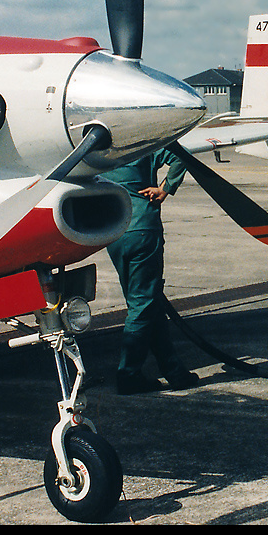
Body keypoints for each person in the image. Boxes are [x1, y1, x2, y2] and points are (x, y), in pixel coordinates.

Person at [101, 148, 199, 395]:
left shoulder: (101, 147)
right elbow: (181, 156)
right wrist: (166, 188)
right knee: (143, 304)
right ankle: (128, 374)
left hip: (113, 230)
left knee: (146, 302)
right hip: (142, 228)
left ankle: (174, 371)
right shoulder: (143, 140)